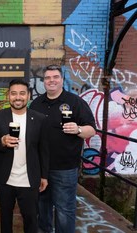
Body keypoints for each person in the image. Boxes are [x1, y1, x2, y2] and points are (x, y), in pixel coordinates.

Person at [29, 65, 96, 233]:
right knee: (42, 208)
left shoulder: (75, 102)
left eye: (55, 77)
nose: (51, 80)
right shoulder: (36, 104)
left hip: (65, 168)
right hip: (40, 168)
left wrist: (78, 129)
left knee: (64, 210)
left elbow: (92, 130)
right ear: (43, 81)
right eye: (48, 77)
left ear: (61, 80)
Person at [0, 79, 49, 233]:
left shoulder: (40, 119)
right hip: (5, 179)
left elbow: (44, 150)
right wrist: (2, 141)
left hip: (29, 180)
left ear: (28, 96)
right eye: (14, 93)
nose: (18, 97)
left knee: (30, 219)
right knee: (5, 218)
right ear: (9, 95)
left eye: (22, 93)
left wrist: (44, 176)